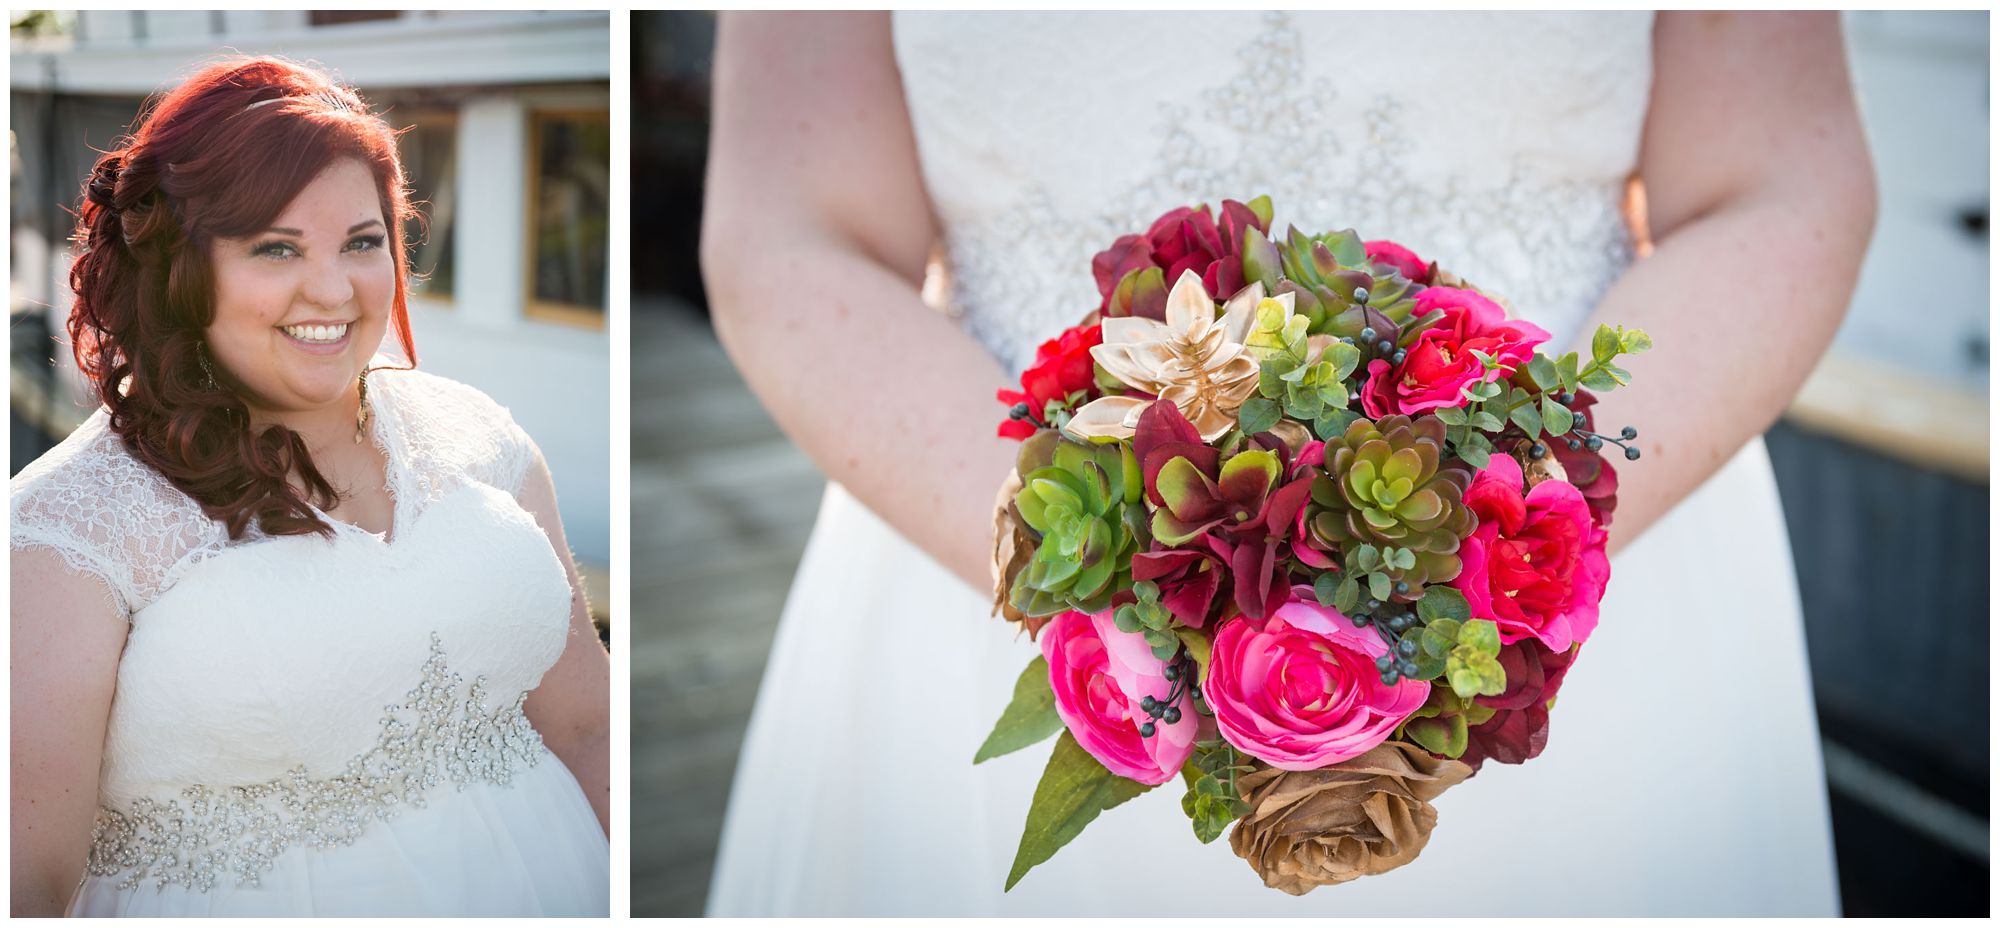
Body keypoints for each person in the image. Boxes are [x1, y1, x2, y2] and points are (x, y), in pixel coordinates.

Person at [700, 11, 1875, 916]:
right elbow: (794, 234)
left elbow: (1775, 187)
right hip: (981, 534)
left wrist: (1489, 566)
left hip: (1579, 585)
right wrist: (1135, 586)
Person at [10, 57, 610, 916]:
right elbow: (26, 885)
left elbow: (590, 729)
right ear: (183, 266)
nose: (333, 290)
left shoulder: (482, 438)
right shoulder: (63, 531)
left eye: (363, 243)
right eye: (275, 248)